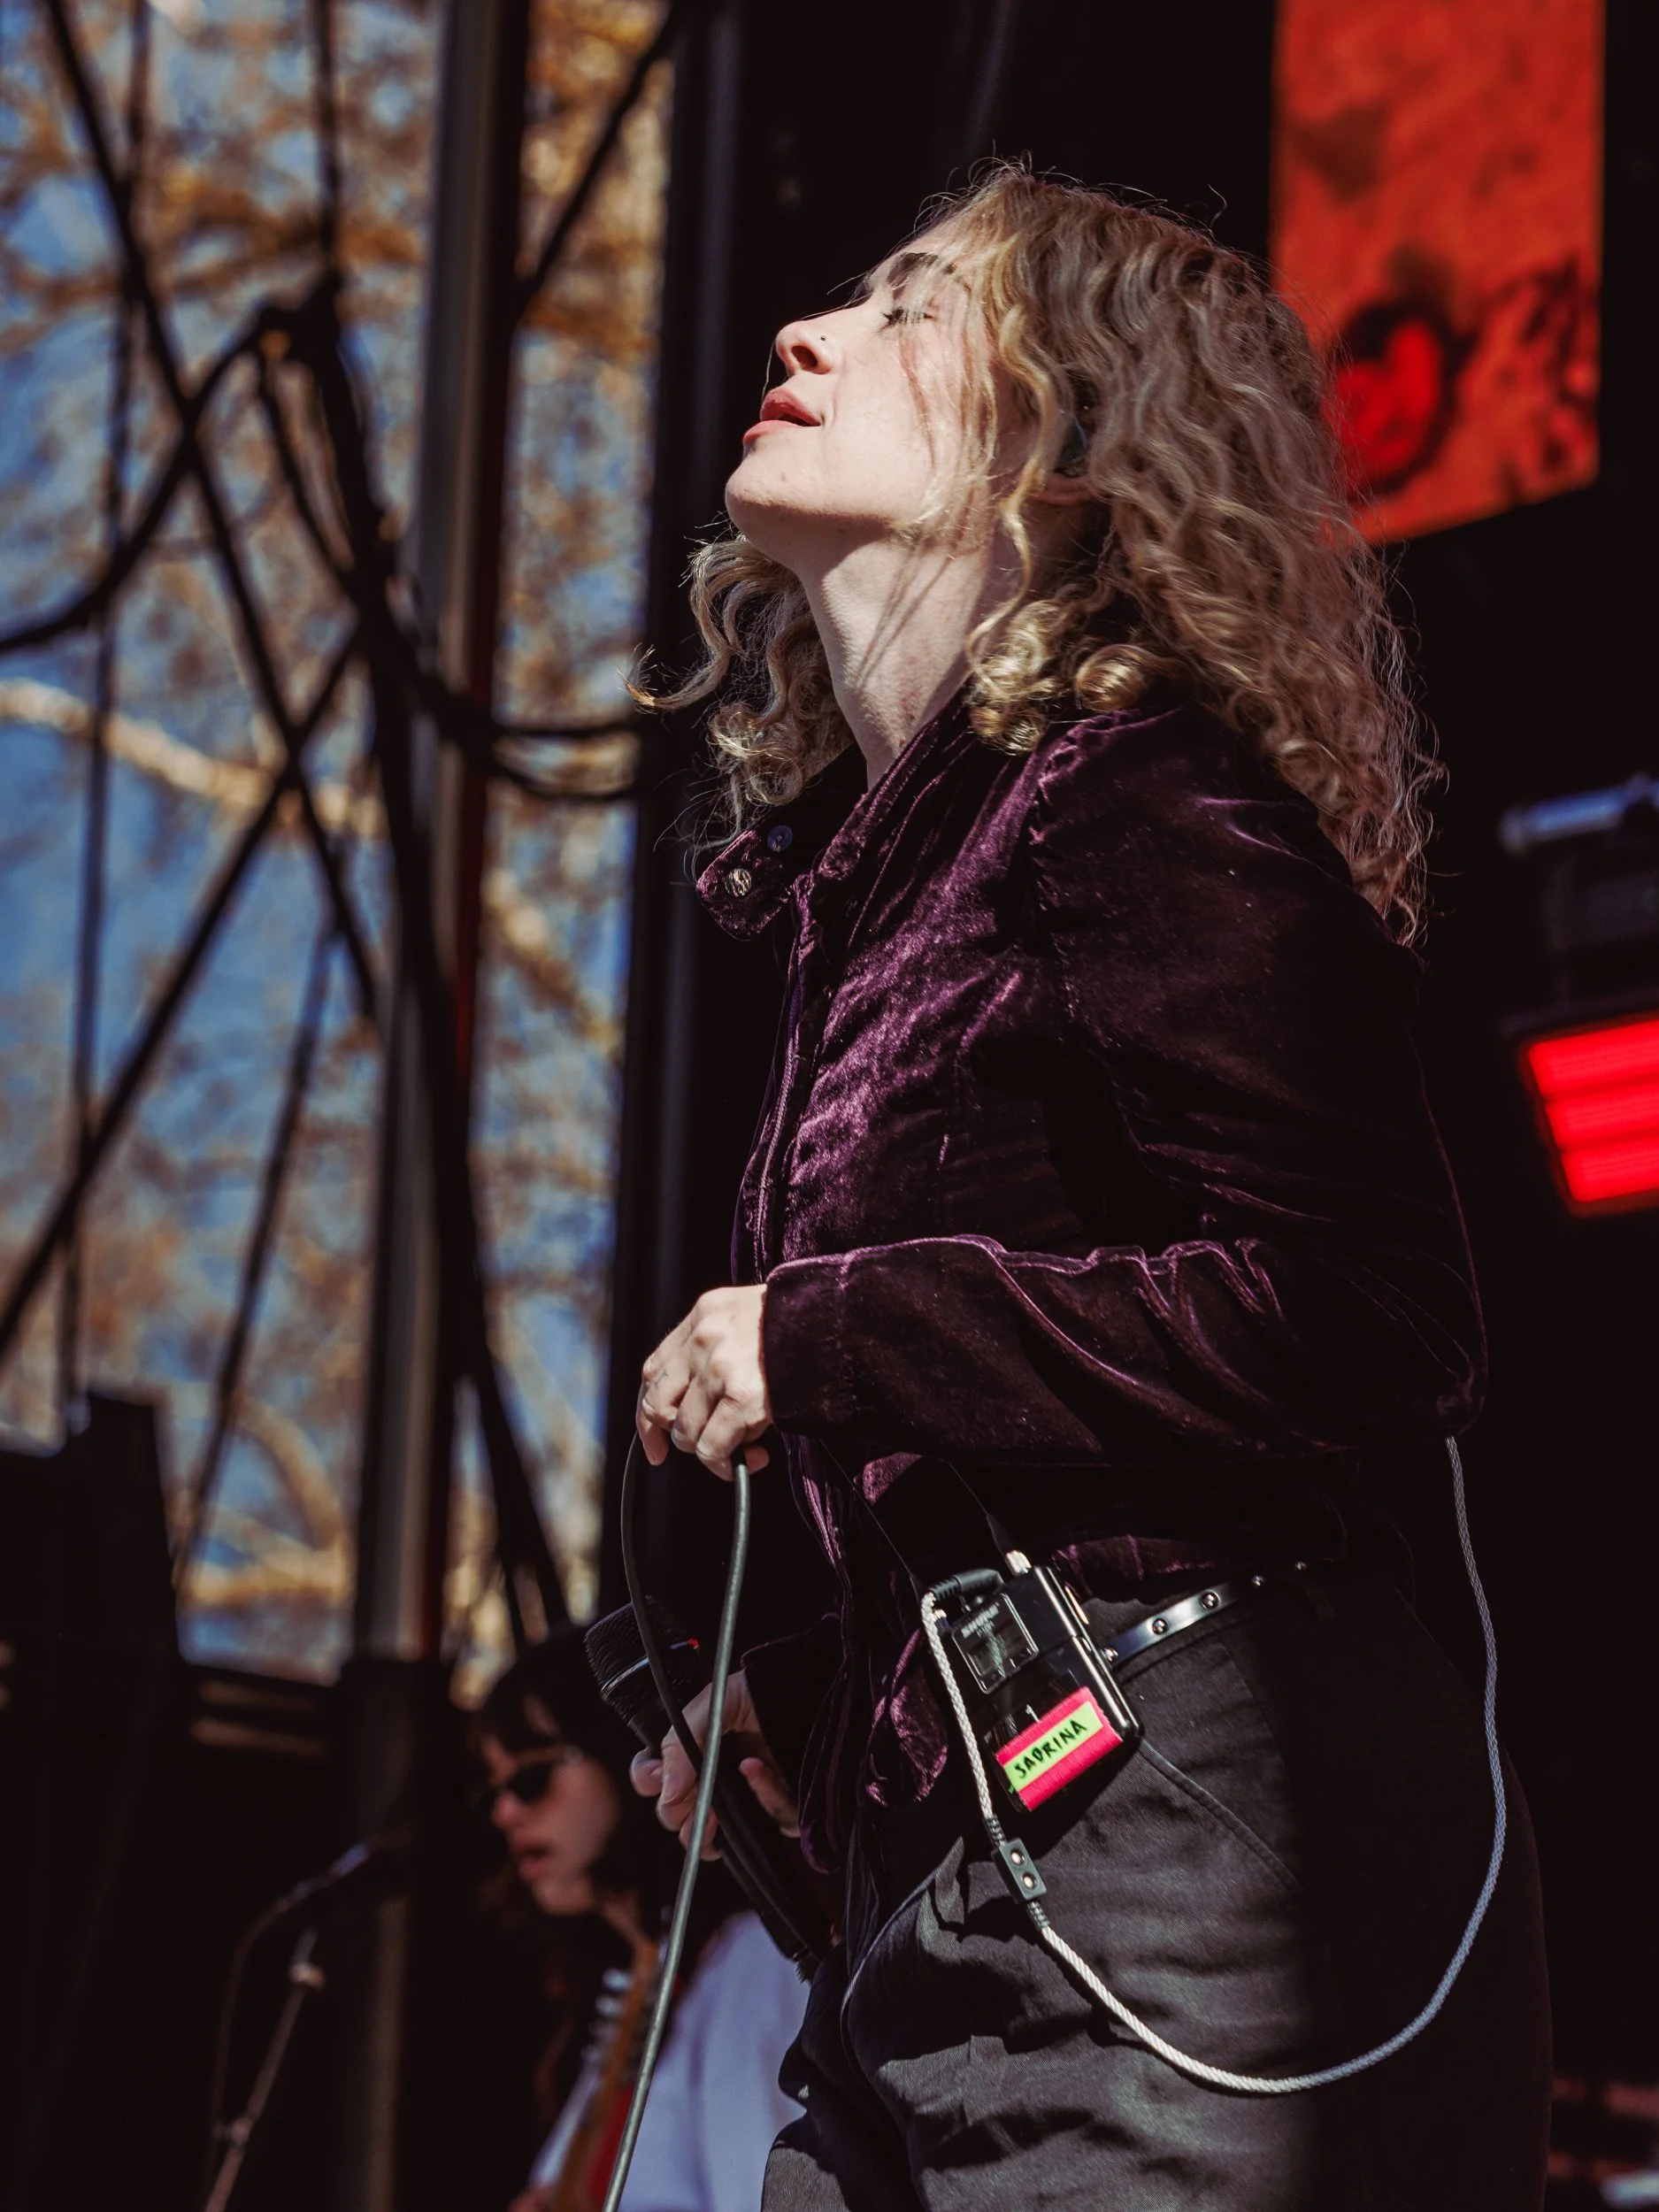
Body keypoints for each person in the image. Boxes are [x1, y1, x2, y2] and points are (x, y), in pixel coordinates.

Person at [629, 165, 1553, 2209]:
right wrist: (809, 1703)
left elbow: (1364, 1306)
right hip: (953, 1877)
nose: (802, 335)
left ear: (1054, 446)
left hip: (1178, 1843)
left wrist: (831, 1329)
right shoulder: (877, 888)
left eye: (903, 312)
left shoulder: (1131, 795)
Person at [476, 1629, 807, 2212]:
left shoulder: (750, 1963)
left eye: (532, 1777)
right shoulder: (634, 1979)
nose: (505, 1813)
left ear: (621, 1752)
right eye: (495, 1792)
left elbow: (766, 2199)